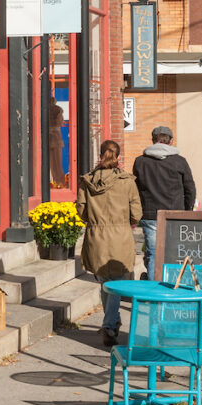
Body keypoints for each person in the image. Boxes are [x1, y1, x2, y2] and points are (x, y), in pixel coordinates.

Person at [77, 140, 142, 347]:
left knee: (106, 282)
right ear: (118, 157)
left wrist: (95, 222)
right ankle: (110, 325)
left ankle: (111, 322)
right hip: (121, 236)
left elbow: (81, 211)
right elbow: (137, 213)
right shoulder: (127, 181)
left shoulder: (87, 181)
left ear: (100, 155)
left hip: (96, 237)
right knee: (114, 282)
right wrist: (126, 223)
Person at [132, 126, 196, 281]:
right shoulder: (179, 162)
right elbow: (190, 189)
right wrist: (187, 211)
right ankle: (171, 287)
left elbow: (135, 189)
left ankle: (154, 293)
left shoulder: (140, 162)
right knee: (173, 253)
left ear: (153, 140)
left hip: (150, 214)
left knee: (153, 253)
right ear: (171, 141)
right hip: (175, 215)